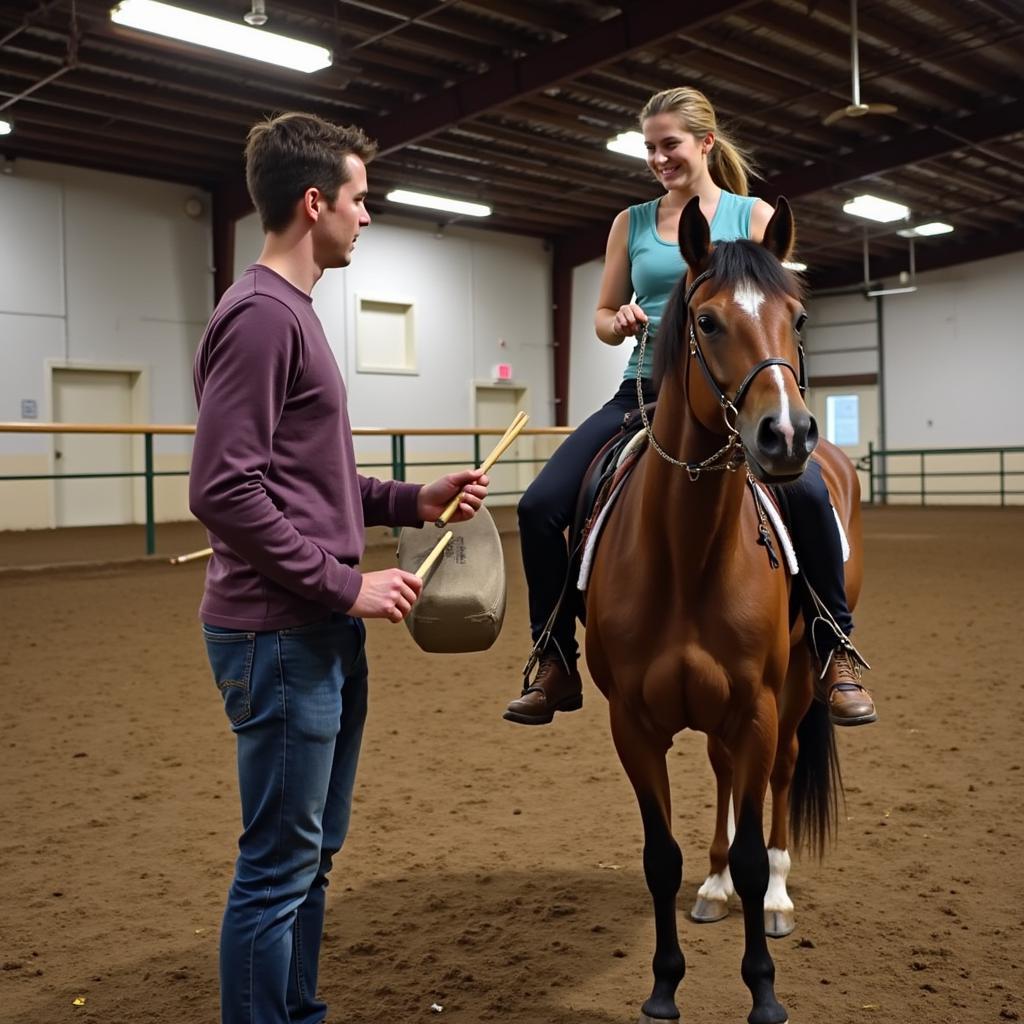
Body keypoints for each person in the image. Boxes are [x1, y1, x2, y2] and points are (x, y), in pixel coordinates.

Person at [188, 112, 489, 1024]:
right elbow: (224, 491)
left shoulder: (293, 316)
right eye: (360, 200)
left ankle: (300, 1012)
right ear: (315, 202)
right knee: (277, 867)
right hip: (278, 636)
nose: (367, 217)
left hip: (313, 632)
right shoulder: (259, 321)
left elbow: (312, 480)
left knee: (309, 856)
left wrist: (413, 501)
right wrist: (347, 585)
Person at [504, 86, 876, 728]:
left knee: (812, 494)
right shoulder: (632, 223)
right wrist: (616, 320)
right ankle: (554, 655)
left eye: (669, 144)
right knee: (539, 506)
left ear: (705, 143)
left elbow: (771, 313)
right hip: (643, 392)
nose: (657, 158)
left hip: (735, 399)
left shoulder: (753, 217)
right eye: (648, 147)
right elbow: (597, 315)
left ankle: (833, 647)